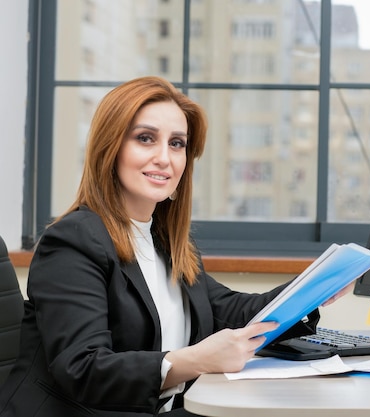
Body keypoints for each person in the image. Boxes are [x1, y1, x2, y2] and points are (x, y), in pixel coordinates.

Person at [0, 76, 349, 416]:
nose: (165, 158)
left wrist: (316, 286)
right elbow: (84, 369)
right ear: (110, 148)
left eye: (176, 143)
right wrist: (194, 359)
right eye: (145, 139)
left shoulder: (166, 242)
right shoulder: (73, 241)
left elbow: (234, 312)